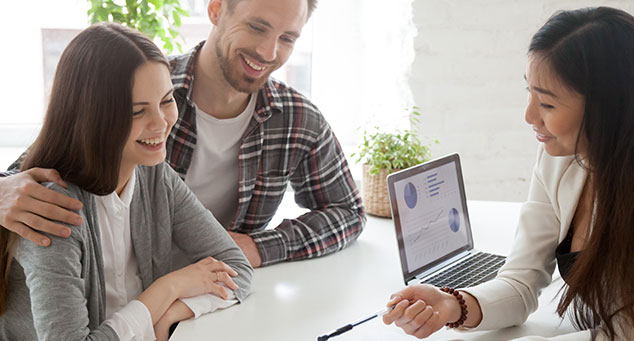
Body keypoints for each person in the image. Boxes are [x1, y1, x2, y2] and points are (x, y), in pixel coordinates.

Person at [382, 7, 634, 340]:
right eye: (530, 93)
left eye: (548, 103)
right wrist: (453, 305)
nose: (529, 117)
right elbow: (520, 281)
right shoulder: (560, 157)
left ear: (607, 109)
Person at [0, 0, 364, 268]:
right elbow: (33, 169)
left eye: (287, 38)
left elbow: (348, 211)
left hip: (212, 293)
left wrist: (260, 247)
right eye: (257, 27)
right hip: (122, 296)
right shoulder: (145, 89)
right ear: (217, 9)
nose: (269, 52)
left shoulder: (297, 119)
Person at [0, 23, 253, 340]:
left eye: (166, 100)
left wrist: (173, 313)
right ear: (93, 117)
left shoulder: (154, 176)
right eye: (137, 112)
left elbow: (236, 268)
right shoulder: (52, 207)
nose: (160, 124)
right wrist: (166, 290)